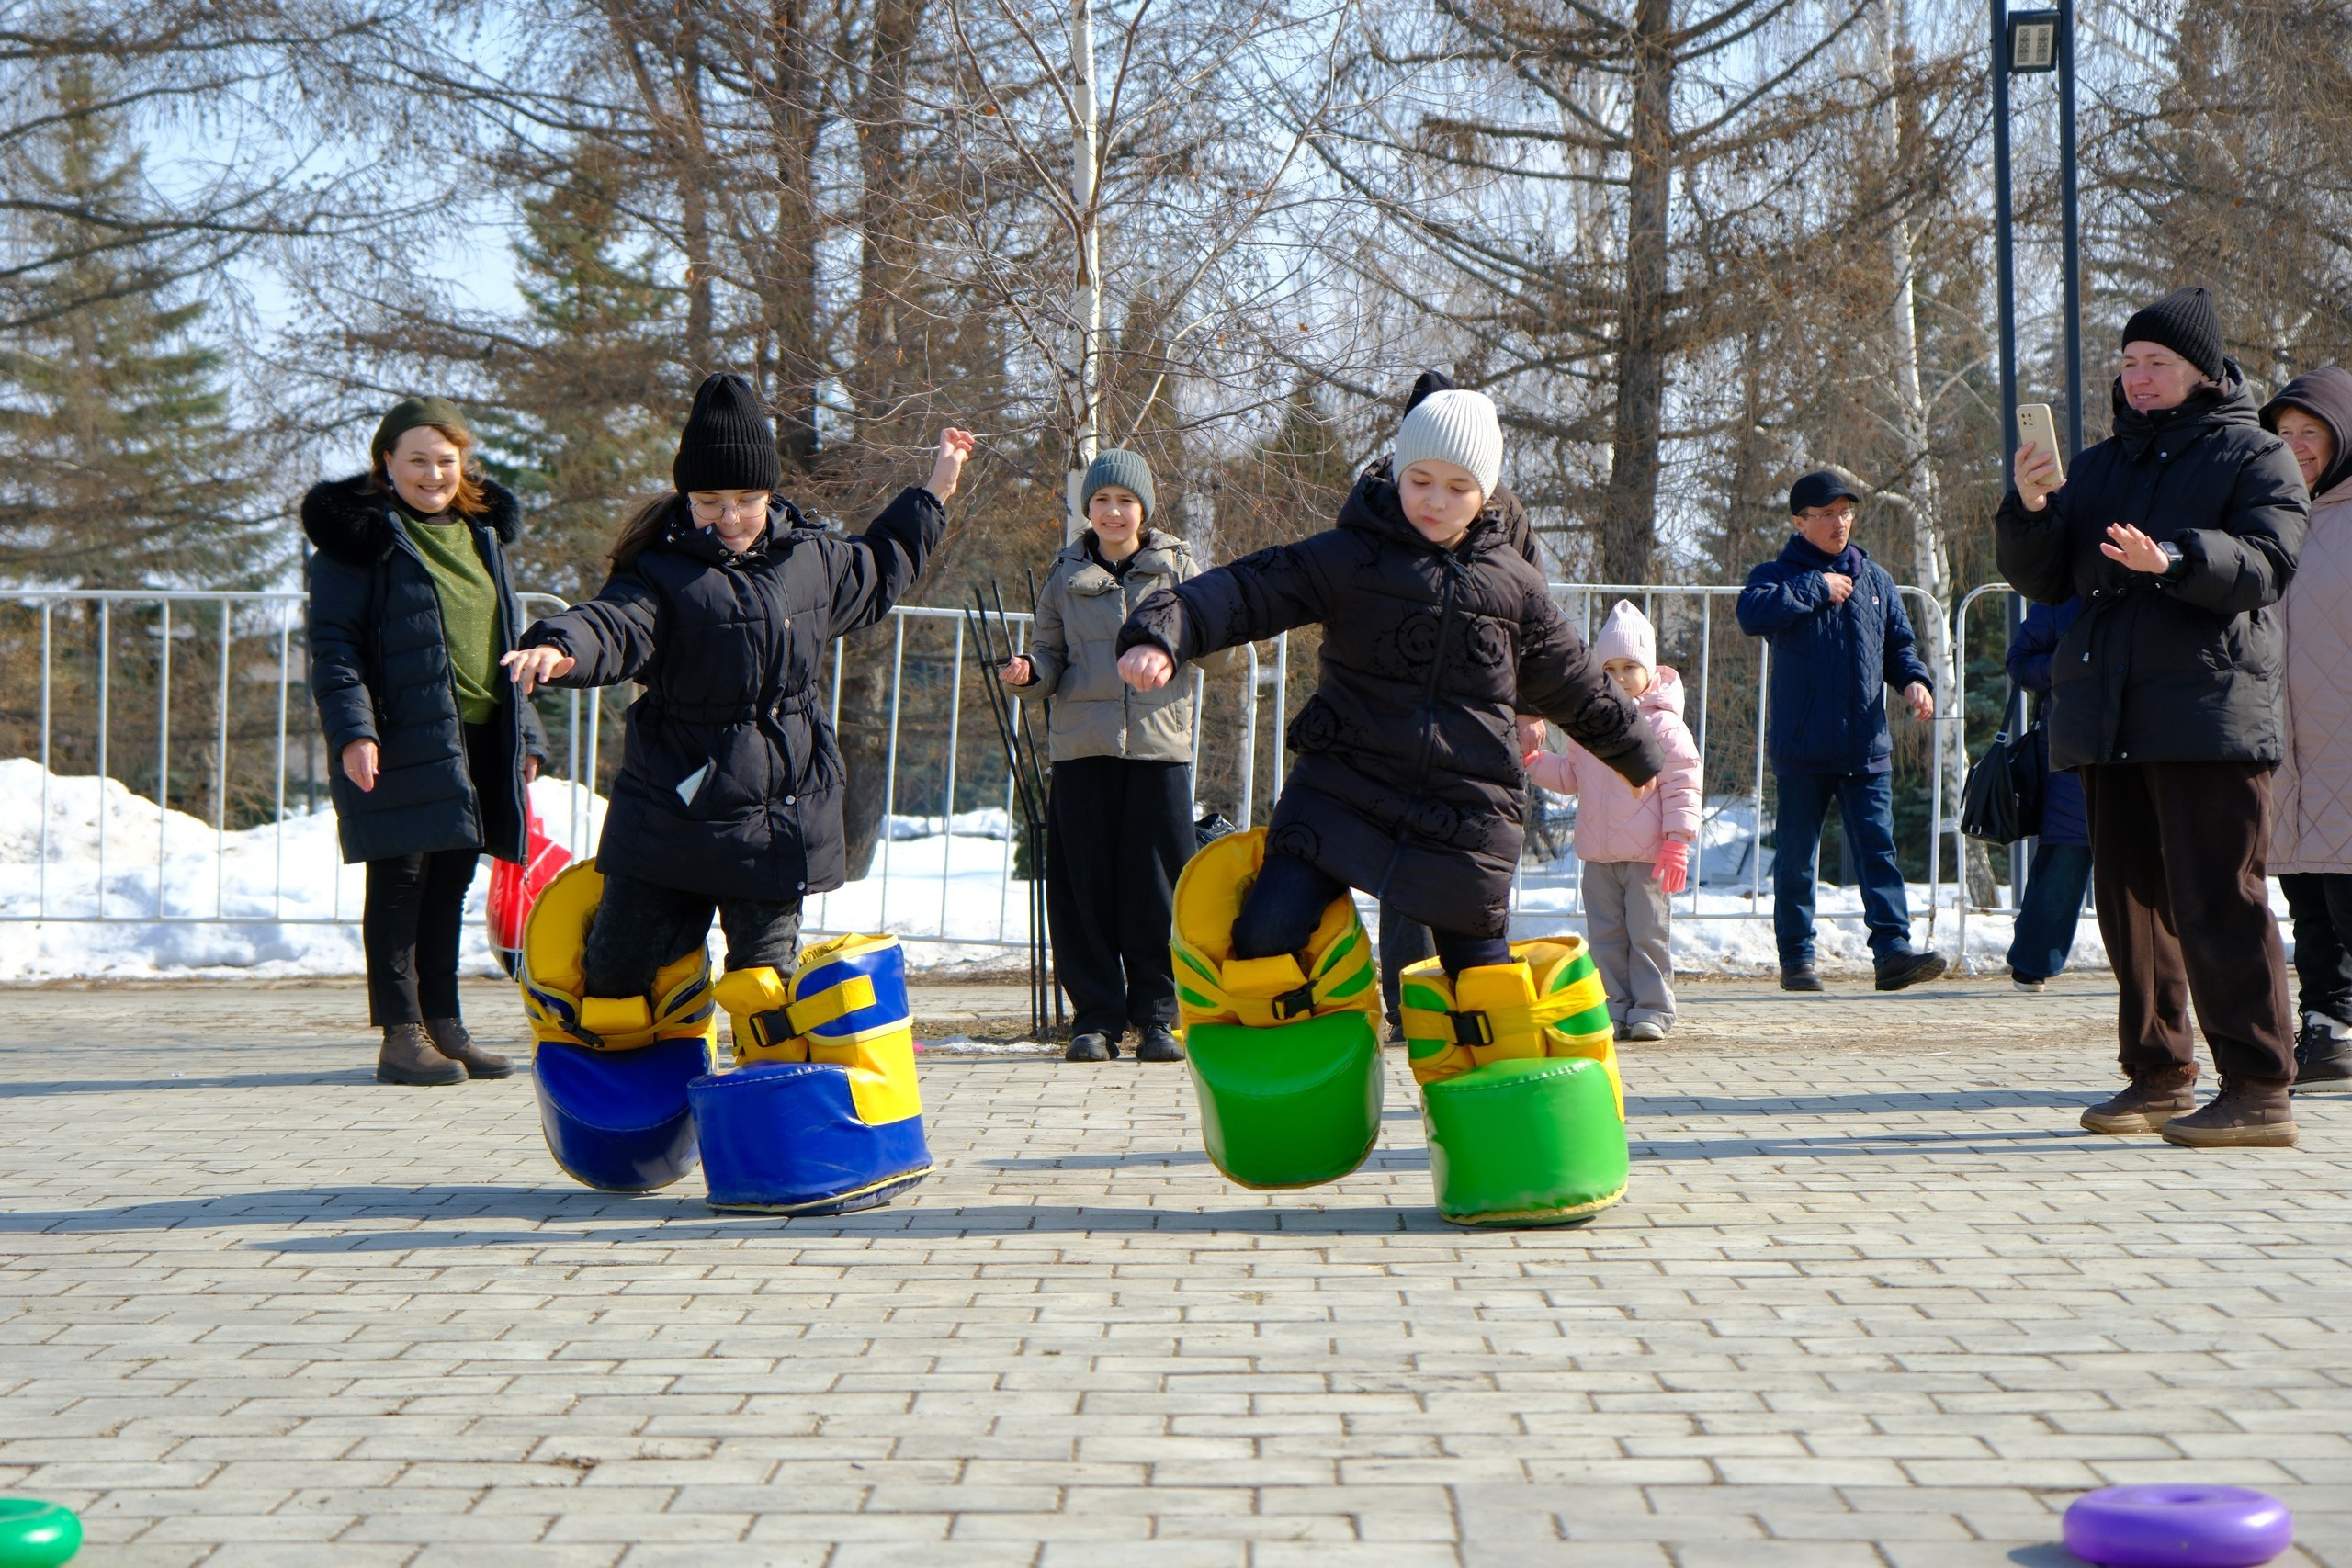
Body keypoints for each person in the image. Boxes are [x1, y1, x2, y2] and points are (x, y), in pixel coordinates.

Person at [1115, 389, 1663, 997]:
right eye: (1420, 479)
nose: (1435, 501)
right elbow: (1249, 589)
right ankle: (1320, 1053)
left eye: (1458, 488)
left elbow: (1575, 678)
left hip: (1464, 807)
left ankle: (1476, 1079)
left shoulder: (1516, 588)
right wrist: (1163, 631)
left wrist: (1636, 751)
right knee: (1266, 931)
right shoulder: (1352, 554)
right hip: (1345, 787)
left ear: (1488, 492)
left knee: (1483, 984)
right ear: (1398, 471)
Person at [501, 373, 974, 1011]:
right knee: (618, 979)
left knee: (765, 994)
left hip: (774, 816)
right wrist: (560, 644)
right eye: (710, 500)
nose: (730, 517)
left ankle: (763, 1104)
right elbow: (615, 621)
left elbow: (884, 561)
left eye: (747, 499)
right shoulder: (660, 572)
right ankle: (639, 1102)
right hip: (675, 807)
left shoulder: (811, 560)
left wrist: (936, 488)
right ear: (685, 495)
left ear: (770, 492)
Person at [2000, 285, 2306, 1147]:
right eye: (2128, 363)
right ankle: (2159, 1073)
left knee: (2218, 896)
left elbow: (2267, 562)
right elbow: (2045, 577)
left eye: (2156, 363)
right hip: (2110, 710)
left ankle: (2257, 1084)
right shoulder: (2097, 466)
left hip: (2211, 710)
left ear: (2201, 370)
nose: (2137, 378)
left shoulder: (2258, 456)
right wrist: (2029, 510)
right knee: (2129, 906)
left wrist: (2173, 557)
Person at [305, 398, 549, 1087]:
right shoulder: (359, 539)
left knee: (451, 880)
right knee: (400, 878)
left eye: (446, 460)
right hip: (400, 735)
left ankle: (445, 1025)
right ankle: (401, 1034)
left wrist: (524, 731)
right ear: (387, 461)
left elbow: (507, 642)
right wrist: (355, 731)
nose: (433, 473)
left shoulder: (481, 535)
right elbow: (334, 647)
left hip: (476, 732)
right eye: (417, 458)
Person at [997, 449, 1233, 1064]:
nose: (1113, 511)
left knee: (1157, 891)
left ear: (1144, 509)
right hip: (1082, 750)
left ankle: (1158, 1015)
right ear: (1088, 509)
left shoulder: (1179, 568)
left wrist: (1215, 628)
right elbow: (1049, 658)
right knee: (1085, 890)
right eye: (1101, 500)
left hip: (1158, 750)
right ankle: (1094, 1019)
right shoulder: (1063, 574)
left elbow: (1216, 650)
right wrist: (1028, 673)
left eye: (1125, 501)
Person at [1357, 371, 1548, 1037]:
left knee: (1473, 856)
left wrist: (1529, 703)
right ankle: (1412, 1004)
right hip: (1400, 708)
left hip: (1480, 709)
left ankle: (1476, 999)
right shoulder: (1379, 498)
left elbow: (1530, 614)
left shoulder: (1505, 511)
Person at [1736, 471, 1945, 993]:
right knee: (1797, 858)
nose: (1839, 522)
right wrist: (1815, 587)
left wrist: (1914, 681)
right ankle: (1798, 959)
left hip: (1865, 744)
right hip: (1804, 745)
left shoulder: (1874, 579)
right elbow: (1751, 613)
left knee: (1879, 850)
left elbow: (1899, 645)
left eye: (1846, 512)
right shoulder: (1776, 574)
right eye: (1827, 514)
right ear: (1799, 522)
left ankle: (1893, 953)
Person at [1522, 600, 1701, 1041]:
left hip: (1648, 858)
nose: (1619, 678)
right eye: (1610, 669)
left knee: (1648, 935)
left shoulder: (1664, 727)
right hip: (1599, 857)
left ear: (1650, 670)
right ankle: (1615, 1005)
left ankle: (1653, 1009)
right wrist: (1533, 760)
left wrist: (1678, 841)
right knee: (1605, 937)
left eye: (1629, 667)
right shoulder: (1589, 725)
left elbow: (1683, 785)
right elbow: (1570, 776)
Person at [2258, 366, 2352, 1086]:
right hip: (2289, 742)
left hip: (2344, 737)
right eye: (2283, 434)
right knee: (2308, 895)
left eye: (2309, 432)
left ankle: (2338, 1018)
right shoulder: (2272, 515)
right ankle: (2325, 1024)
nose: (2295, 446)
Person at [2003, 597, 2094, 991]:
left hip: (2139, 743)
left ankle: (2154, 967)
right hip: (2070, 748)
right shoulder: (2063, 598)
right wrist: (2067, 666)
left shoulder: (2151, 589)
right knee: (2066, 855)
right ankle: (2033, 960)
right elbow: (2020, 662)